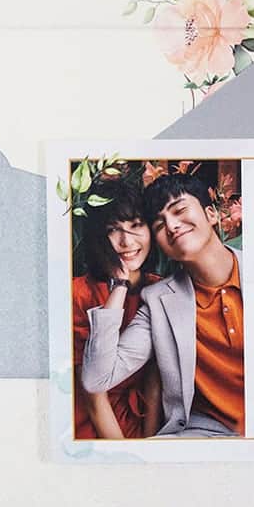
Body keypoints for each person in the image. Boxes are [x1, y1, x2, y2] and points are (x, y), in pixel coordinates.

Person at [82, 172, 244, 438]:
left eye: (179, 210)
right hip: (205, 435)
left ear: (211, 214)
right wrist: (120, 283)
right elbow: (96, 380)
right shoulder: (157, 302)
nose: (172, 225)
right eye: (159, 224)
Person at [71, 179, 162, 439]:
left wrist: (151, 443)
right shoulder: (80, 293)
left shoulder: (159, 289)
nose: (126, 241)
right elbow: (93, 395)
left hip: (142, 419)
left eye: (136, 225)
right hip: (94, 422)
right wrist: (122, 452)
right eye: (113, 230)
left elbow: (155, 379)